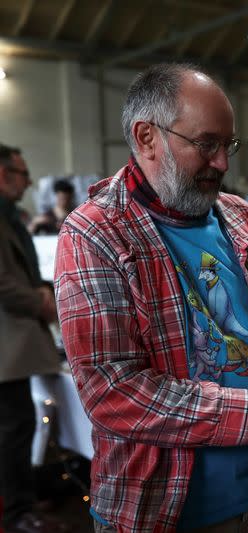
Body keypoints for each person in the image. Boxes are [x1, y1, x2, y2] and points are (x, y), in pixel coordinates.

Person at [54, 63, 248, 533]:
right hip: (161, 510)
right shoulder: (95, 233)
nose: (223, 164)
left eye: (227, 145)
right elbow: (112, 389)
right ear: (146, 138)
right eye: (205, 144)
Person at [0, 144, 66, 533]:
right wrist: (41, 302)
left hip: (15, 345)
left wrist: (43, 289)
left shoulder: (9, 219)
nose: (27, 184)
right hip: (9, 346)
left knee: (17, 427)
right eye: (23, 175)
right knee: (14, 429)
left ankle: (21, 503)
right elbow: (5, 284)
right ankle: (18, 513)